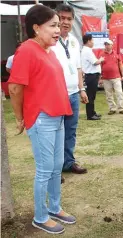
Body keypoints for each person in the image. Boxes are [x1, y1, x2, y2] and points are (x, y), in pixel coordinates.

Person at [8, 4, 76, 234]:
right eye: (53, 25)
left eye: (59, 25)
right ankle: (40, 215)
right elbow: (15, 87)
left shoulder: (50, 50)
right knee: (45, 169)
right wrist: (20, 119)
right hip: (41, 118)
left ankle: (55, 207)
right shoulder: (27, 50)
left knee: (57, 167)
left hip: (57, 116)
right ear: (36, 28)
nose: (59, 29)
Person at [52, 4, 88, 177]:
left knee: (70, 131)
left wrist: (82, 89)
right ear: (56, 18)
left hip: (73, 93)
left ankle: (68, 162)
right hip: (56, 94)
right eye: (62, 18)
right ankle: (55, 170)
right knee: (56, 133)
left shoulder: (74, 40)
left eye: (69, 19)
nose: (65, 22)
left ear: (73, 21)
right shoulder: (50, 39)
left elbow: (79, 68)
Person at [98, 39, 123, 115]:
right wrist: (100, 77)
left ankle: (121, 108)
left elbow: (120, 65)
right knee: (108, 94)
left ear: (112, 45)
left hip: (116, 77)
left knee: (119, 93)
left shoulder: (117, 54)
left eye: (108, 44)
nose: (106, 46)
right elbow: (99, 66)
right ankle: (112, 108)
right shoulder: (101, 54)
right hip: (105, 78)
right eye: (105, 44)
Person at [81, 34, 104, 120]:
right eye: (92, 40)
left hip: (92, 75)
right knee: (90, 95)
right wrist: (101, 60)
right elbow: (95, 62)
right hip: (91, 75)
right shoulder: (87, 51)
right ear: (88, 41)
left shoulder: (87, 50)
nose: (93, 42)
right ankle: (90, 115)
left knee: (92, 95)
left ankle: (92, 112)